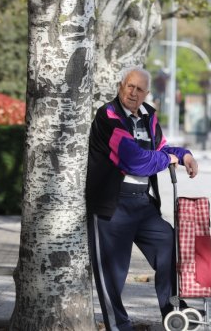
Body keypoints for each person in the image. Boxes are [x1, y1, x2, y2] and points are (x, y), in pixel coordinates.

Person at [86, 67, 199, 330]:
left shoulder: (149, 116)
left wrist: (183, 155)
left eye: (140, 89)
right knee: (112, 274)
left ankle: (173, 310)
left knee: (168, 242)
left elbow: (161, 148)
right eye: (130, 86)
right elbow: (134, 160)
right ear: (120, 86)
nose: (133, 93)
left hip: (142, 202)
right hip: (111, 205)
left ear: (147, 93)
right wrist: (166, 159)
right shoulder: (109, 116)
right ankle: (118, 326)